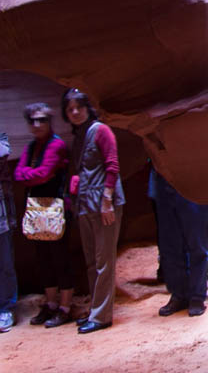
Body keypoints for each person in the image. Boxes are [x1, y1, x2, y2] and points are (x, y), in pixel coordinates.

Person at [62, 88, 125, 334]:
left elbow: (112, 164)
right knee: (91, 262)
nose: (75, 112)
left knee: (103, 261)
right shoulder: (79, 136)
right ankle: (95, 311)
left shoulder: (100, 130)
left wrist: (107, 200)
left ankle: (101, 317)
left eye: (79, 106)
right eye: (69, 109)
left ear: (89, 107)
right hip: (86, 205)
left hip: (103, 205)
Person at [14, 103, 73, 327]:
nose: (37, 125)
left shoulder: (56, 145)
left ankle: (65, 307)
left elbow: (43, 173)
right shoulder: (31, 147)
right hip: (38, 209)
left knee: (60, 259)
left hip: (57, 210)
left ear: (50, 122)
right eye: (33, 121)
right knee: (44, 259)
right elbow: (20, 174)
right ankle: (50, 305)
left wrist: (31, 175)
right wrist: (32, 175)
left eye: (42, 120)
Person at [150, 167, 208, 317]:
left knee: (196, 243)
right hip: (163, 181)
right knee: (169, 245)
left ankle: (197, 296)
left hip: (191, 179)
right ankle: (179, 294)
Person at [0, 130, 18, 334]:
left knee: (4, 263)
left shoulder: (2, 137)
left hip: (1, 215)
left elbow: (3, 152)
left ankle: (6, 309)